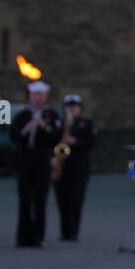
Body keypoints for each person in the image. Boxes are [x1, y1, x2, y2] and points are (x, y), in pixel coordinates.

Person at [11, 80, 60, 248]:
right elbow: (14, 136)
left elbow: (56, 137)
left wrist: (44, 127)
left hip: (42, 160)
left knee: (40, 199)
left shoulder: (51, 116)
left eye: (41, 95)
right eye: (35, 95)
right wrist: (25, 130)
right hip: (25, 159)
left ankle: (38, 235)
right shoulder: (22, 115)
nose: (38, 98)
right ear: (30, 96)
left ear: (45, 96)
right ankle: (22, 236)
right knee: (24, 198)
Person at [53, 94, 96, 241]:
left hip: (79, 165)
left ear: (79, 108)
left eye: (74, 106)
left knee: (76, 198)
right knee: (62, 199)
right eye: (68, 107)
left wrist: (74, 141)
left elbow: (91, 142)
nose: (71, 109)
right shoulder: (58, 123)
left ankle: (73, 231)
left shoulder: (86, 123)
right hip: (62, 164)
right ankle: (64, 231)